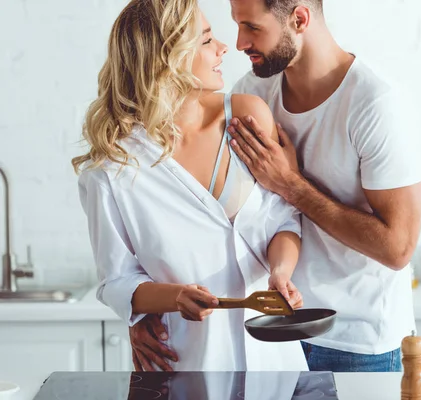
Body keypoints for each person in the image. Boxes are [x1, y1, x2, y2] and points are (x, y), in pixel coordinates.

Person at [131, 0, 421, 372]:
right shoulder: (251, 94)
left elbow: (397, 249)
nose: (238, 42)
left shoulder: (375, 105)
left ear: (299, 19)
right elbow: (195, 212)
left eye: (252, 28)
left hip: (355, 341)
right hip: (268, 335)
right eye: (237, 25)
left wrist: (291, 184)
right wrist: (142, 309)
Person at [72, 0, 308, 372]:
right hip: (183, 360)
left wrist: (280, 271)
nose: (223, 48)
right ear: (166, 58)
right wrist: (173, 297)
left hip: (273, 359)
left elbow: (283, 221)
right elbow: (116, 281)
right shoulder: (113, 168)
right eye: (206, 41)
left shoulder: (247, 117)